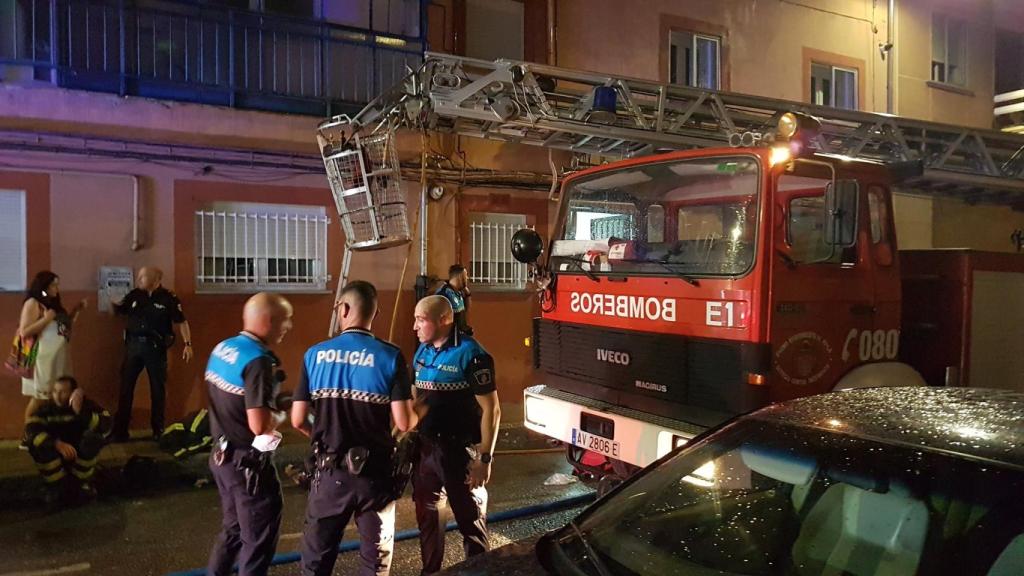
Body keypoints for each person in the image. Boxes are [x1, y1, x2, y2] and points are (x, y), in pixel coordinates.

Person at [292, 280, 416, 576]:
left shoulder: (314, 355)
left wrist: (323, 434)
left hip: (329, 473)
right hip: (375, 478)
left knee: (316, 562)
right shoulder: (390, 356)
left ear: (344, 309)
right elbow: (403, 422)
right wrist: (419, 410)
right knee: (374, 563)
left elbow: (298, 420)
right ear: (374, 313)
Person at [411, 295, 501, 574]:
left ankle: (478, 570)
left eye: (420, 320)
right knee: (428, 520)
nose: (415, 326)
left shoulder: (472, 354)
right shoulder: (422, 352)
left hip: (458, 452)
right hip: (426, 450)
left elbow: (493, 410)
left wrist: (484, 458)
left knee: (470, 522)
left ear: (444, 320)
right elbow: (417, 400)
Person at [205, 293, 293, 576]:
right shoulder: (259, 361)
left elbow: (235, 402)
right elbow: (259, 425)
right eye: (285, 320)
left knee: (232, 531)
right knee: (257, 540)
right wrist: (285, 414)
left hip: (222, 456)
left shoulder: (224, 347)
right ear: (267, 321)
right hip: (248, 466)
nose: (288, 327)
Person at [111, 267, 193, 441]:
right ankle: (120, 431)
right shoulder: (134, 295)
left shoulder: (168, 298)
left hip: (154, 348)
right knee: (126, 388)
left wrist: (188, 344)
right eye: (139, 276)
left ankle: (158, 430)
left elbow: (181, 321)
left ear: (156, 278)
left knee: (158, 389)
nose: (139, 279)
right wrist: (112, 302)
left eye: (143, 276)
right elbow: (119, 312)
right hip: (133, 346)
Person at [19, 271, 86, 446]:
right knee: (40, 397)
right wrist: (45, 319)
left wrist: (76, 311)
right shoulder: (34, 303)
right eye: (53, 285)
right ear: (44, 287)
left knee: (57, 397)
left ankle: (50, 435)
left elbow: (64, 327)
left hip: (59, 358)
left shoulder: (54, 304)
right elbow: (25, 330)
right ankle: (28, 435)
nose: (57, 288)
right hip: (43, 359)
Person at [24, 375, 111, 502]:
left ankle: (81, 483)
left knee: (94, 438)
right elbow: (31, 430)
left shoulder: (85, 405)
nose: (58, 396)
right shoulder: (46, 408)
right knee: (36, 443)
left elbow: (106, 424)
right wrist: (55, 444)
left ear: (72, 393)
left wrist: (80, 412)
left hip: (78, 454)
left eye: (63, 392)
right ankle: (55, 486)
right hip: (55, 454)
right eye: (55, 391)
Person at [434, 264, 472, 335]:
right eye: (465, 275)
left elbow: (465, 310)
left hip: (458, 336)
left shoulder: (458, 292)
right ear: (460, 276)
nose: (467, 278)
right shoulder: (444, 293)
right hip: (448, 338)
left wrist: (468, 294)